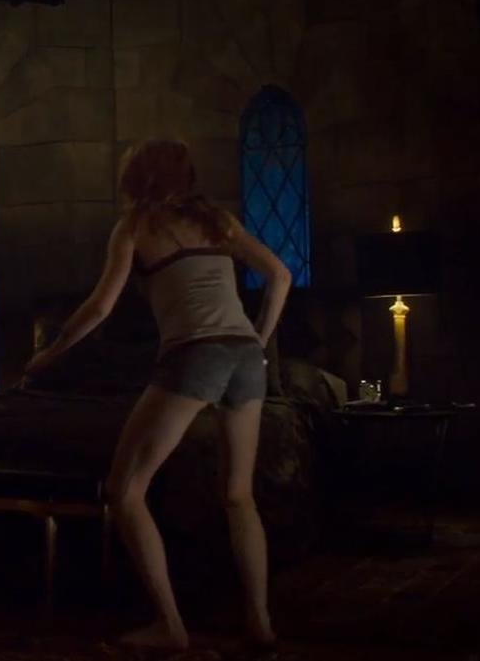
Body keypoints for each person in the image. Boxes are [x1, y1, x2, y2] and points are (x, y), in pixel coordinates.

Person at [24, 139, 290, 651]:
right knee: (238, 494)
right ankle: (260, 623)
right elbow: (281, 274)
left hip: (194, 354)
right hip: (243, 357)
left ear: (136, 179)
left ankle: (170, 627)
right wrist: (257, 339)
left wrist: (50, 354)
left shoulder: (134, 227)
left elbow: (100, 308)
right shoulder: (218, 221)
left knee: (124, 491)